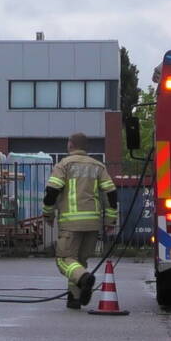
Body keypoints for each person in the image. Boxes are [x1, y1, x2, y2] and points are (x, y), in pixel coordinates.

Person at [42, 133, 118, 310]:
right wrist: (110, 219)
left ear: (70, 145)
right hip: (93, 223)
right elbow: (111, 194)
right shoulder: (98, 166)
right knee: (79, 262)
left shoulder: (64, 165)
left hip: (71, 223)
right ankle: (74, 299)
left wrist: (48, 214)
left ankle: (85, 279)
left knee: (64, 260)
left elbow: (52, 191)